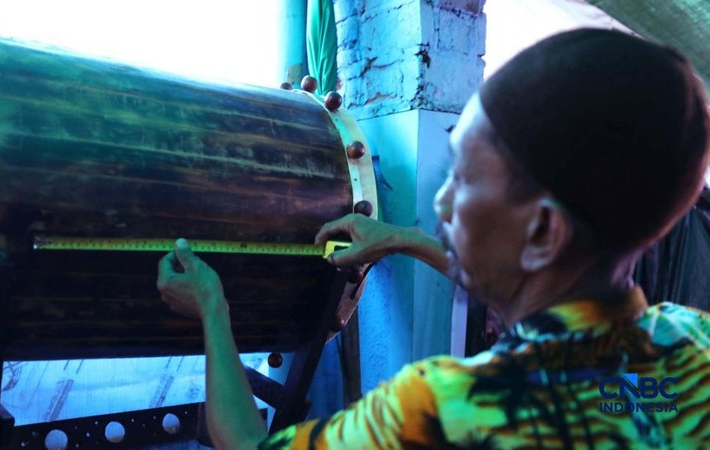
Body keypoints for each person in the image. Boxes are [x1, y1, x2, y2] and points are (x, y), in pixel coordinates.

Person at [157, 28, 710, 449]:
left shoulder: (443, 408)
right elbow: (539, 287)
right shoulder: (692, 347)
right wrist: (399, 238)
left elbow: (250, 444)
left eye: (463, 178)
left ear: (543, 231)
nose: (442, 202)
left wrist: (213, 310)